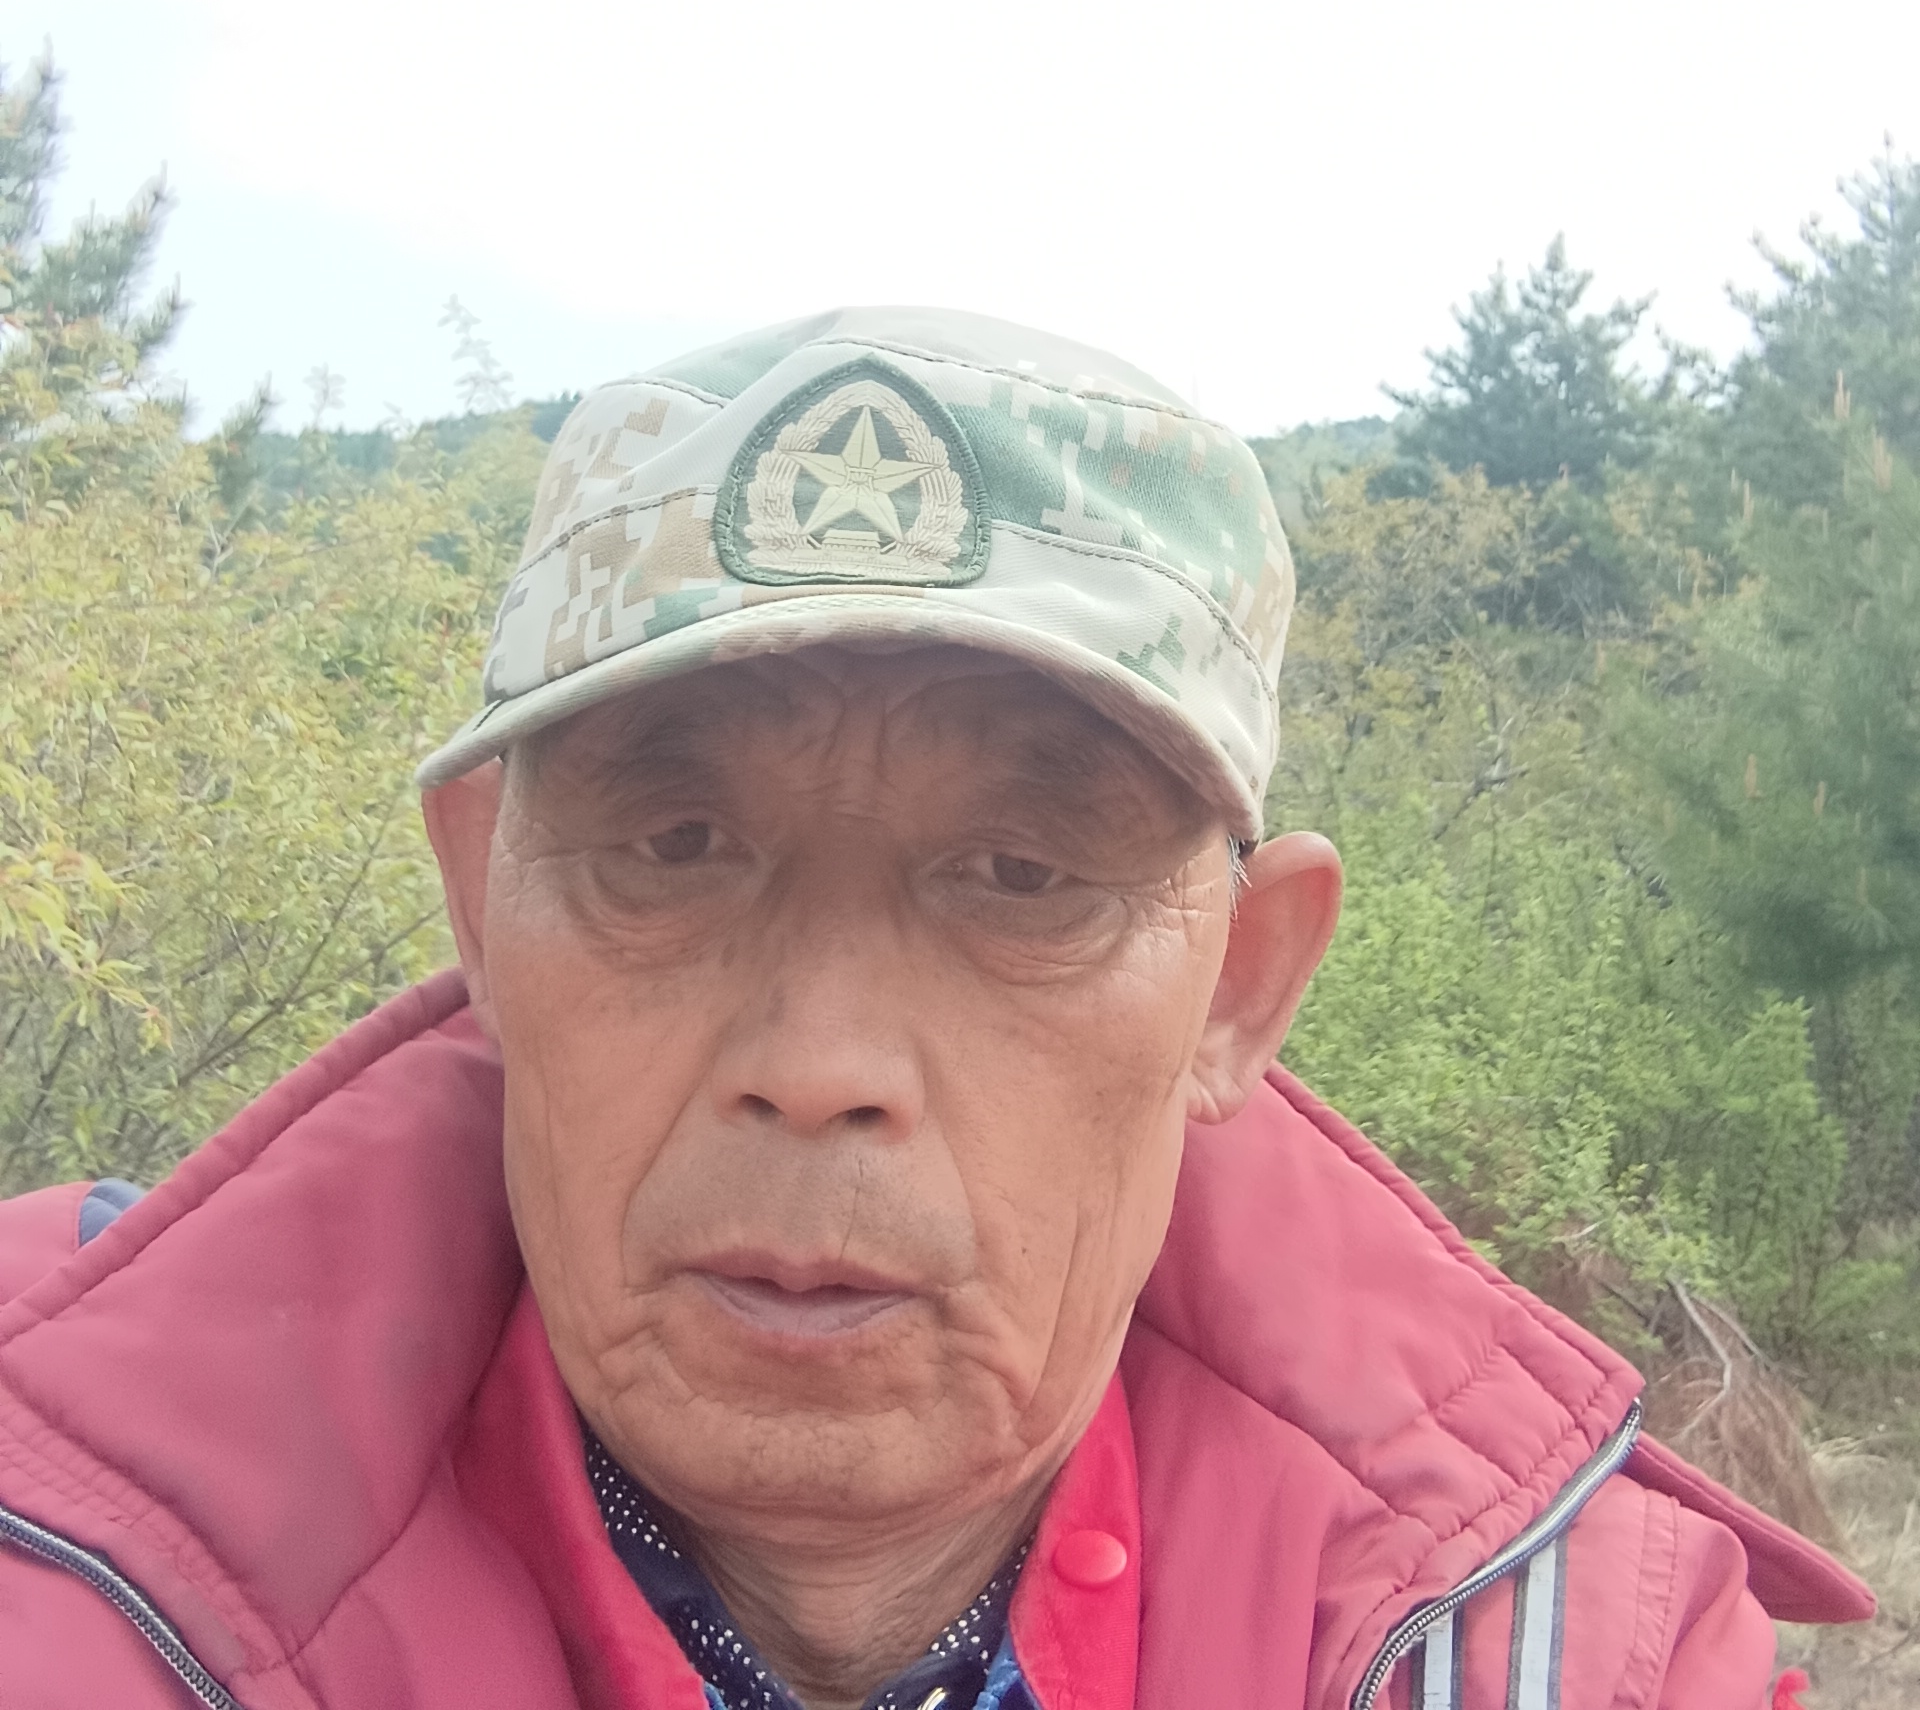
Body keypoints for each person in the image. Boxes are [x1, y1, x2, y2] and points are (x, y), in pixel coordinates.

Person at [0, 310, 1873, 1708]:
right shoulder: (62, 1513)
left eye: (1022, 878)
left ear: (1240, 984)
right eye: (676, 844)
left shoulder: (1561, 1644)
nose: (818, 1069)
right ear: (483, 894)